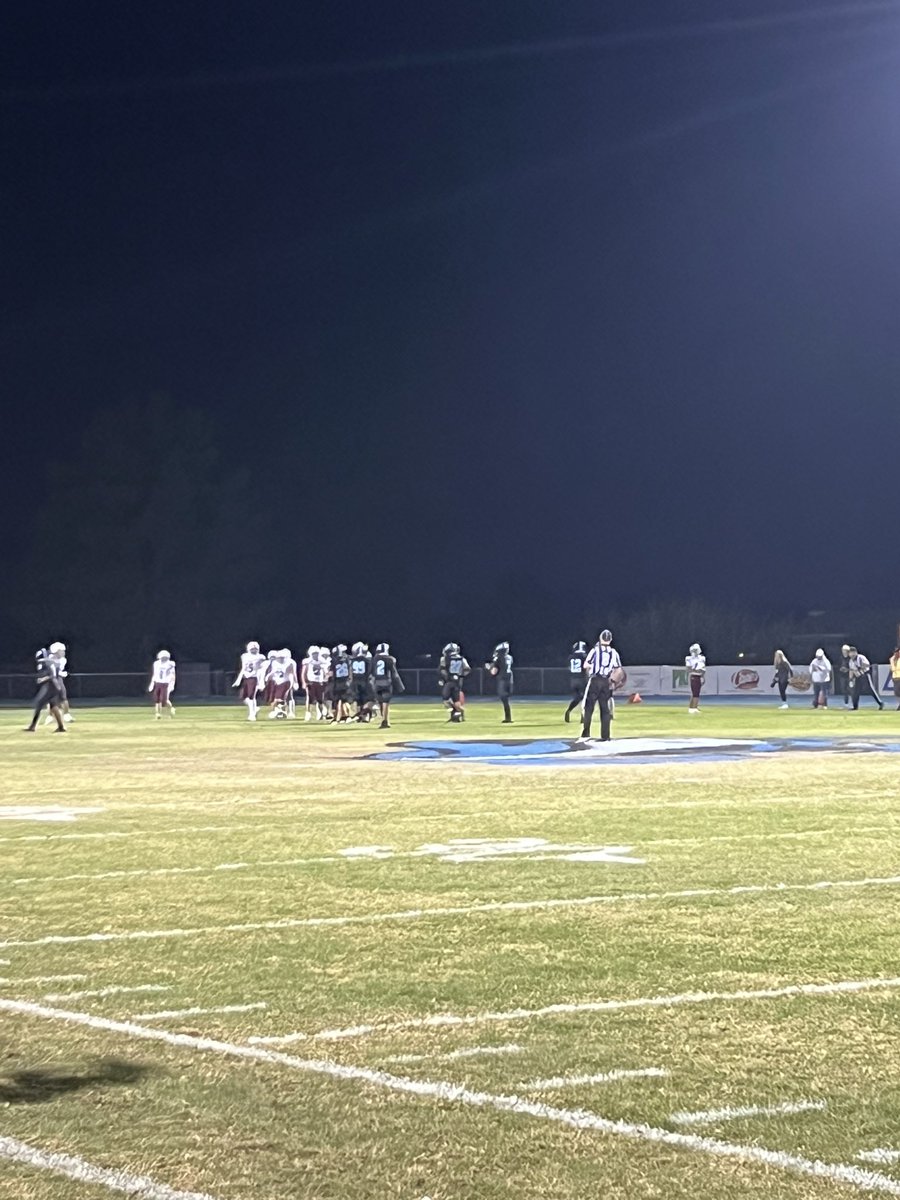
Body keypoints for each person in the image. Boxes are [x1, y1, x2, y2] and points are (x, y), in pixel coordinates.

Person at [576, 629, 622, 744]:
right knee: (605, 709)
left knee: (589, 707)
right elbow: (618, 669)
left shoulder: (595, 651)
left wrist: (590, 670)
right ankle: (605, 735)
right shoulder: (613, 653)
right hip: (606, 681)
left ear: (600, 638)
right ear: (610, 640)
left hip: (595, 680)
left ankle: (586, 733)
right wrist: (612, 680)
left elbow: (586, 664)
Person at [25, 648, 67, 732]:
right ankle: (61, 727)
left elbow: (51, 676)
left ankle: (32, 726)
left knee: (39, 704)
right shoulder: (51, 662)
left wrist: (42, 679)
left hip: (52, 686)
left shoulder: (47, 663)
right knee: (53, 706)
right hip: (55, 685)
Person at [372, 642, 405, 728]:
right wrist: (400, 686)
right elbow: (394, 673)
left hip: (376, 682)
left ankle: (382, 718)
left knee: (380, 702)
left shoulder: (374, 659)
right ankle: (385, 721)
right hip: (386, 682)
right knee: (386, 702)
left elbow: (371, 672)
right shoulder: (390, 659)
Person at [232, 640, 265, 721]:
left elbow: (262, 670)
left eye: (255, 648)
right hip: (246, 678)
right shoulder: (244, 656)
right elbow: (243, 668)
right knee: (244, 697)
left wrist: (261, 681)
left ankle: (252, 714)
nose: (253, 650)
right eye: (252, 648)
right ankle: (255, 709)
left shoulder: (261, 657)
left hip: (254, 677)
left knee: (251, 697)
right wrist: (238, 680)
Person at [439, 642, 470, 723]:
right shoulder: (462, 659)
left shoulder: (444, 659)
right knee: (456, 701)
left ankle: (455, 712)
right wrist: (460, 675)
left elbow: (442, 670)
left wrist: (445, 678)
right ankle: (457, 715)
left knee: (445, 699)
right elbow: (467, 669)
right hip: (458, 682)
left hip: (449, 682)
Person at [847, 646, 884, 710]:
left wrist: (860, 667)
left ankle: (880, 703)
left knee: (870, 689)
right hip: (858, 676)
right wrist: (851, 679)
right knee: (855, 691)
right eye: (850, 653)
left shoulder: (861, 657)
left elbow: (867, 664)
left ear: (856, 652)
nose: (851, 654)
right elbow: (851, 670)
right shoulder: (850, 661)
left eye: (853, 653)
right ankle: (855, 706)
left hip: (865, 675)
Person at [486, 641, 514, 723]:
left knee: (504, 699)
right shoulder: (509, 657)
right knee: (506, 699)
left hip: (502, 680)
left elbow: (494, 672)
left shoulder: (498, 658)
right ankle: (508, 717)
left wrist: (489, 667)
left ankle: (508, 718)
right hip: (510, 679)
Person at [302, 646, 329, 721]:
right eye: (314, 653)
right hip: (311, 682)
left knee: (320, 699)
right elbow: (303, 672)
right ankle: (308, 713)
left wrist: (325, 678)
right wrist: (304, 682)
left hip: (319, 682)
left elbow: (325, 671)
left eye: (316, 653)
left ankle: (321, 714)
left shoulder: (322, 661)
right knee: (309, 698)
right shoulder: (307, 661)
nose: (315, 655)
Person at [349, 642, 374, 721]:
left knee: (358, 700)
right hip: (365, 681)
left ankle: (360, 716)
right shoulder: (367, 659)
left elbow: (350, 671)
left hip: (355, 682)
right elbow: (370, 671)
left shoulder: (352, 660)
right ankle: (364, 715)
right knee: (369, 699)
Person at [564, 641, 587, 723]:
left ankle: (569, 710)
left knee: (577, 698)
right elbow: (586, 667)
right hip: (581, 679)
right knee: (584, 699)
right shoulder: (584, 656)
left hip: (573, 680)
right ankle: (583, 716)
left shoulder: (571, 657)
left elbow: (569, 668)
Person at [149, 650, 176, 719]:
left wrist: (172, 684)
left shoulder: (170, 664)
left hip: (165, 683)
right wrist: (152, 683)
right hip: (158, 682)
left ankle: (171, 709)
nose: (163, 659)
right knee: (157, 699)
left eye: (164, 657)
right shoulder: (156, 664)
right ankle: (158, 714)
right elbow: (155, 674)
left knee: (164, 700)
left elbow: (173, 674)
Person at [330, 644, 351, 722]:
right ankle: (346, 716)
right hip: (346, 681)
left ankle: (339, 717)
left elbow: (331, 673)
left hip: (338, 682)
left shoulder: (334, 661)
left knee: (338, 700)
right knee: (345, 700)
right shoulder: (348, 659)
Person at [685, 642, 706, 713]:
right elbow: (688, 669)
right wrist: (696, 670)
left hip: (698, 676)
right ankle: (693, 708)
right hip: (694, 676)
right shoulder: (689, 658)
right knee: (696, 693)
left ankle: (692, 707)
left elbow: (703, 669)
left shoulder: (701, 658)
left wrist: (702, 676)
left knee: (695, 692)